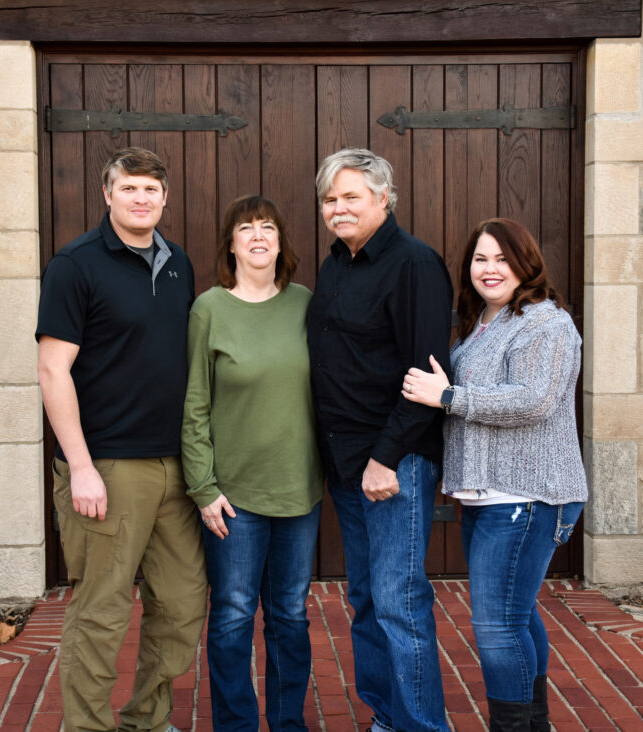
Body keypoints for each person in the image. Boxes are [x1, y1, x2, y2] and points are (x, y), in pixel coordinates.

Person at [36, 147, 207, 732]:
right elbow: (53, 371)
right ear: (107, 195)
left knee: (182, 605)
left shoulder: (177, 261)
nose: (140, 199)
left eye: (151, 190)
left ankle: (146, 720)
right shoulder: (75, 265)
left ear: (164, 198)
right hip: (108, 466)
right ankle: (85, 726)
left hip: (176, 467)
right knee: (102, 612)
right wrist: (80, 468)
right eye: (128, 188)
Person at [402, 218, 587, 732]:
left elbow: (535, 400)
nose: (489, 269)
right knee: (517, 614)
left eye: (502, 259)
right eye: (481, 259)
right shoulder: (483, 320)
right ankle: (534, 725)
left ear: (525, 264)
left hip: (529, 494)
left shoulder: (545, 323)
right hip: (490, 497)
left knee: (497, 625)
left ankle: (516, 726)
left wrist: (447, 397)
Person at [306, 148, 454, 732]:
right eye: (329, 199)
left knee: (399, 603)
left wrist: (384, 458)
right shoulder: (336, 264)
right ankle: (388, 718)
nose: (338, 209)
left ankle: (423, 726)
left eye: (351, 197)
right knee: (367, 600)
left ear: (384, 198)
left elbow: (425, 375)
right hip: (347, 464)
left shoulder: (414, 264)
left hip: (394, 464)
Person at [182, 195, 324, 731]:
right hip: (233, 497)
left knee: (289, 615)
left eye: (269, 226)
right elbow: (194, 405)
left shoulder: (307, 305)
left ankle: (289, 723)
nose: (259, 236)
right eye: (247, 228)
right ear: (232, 243)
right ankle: (236, 725)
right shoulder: (209, 309)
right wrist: (203, 486)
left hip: (298, 490)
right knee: (234, 617)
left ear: (281, 241)